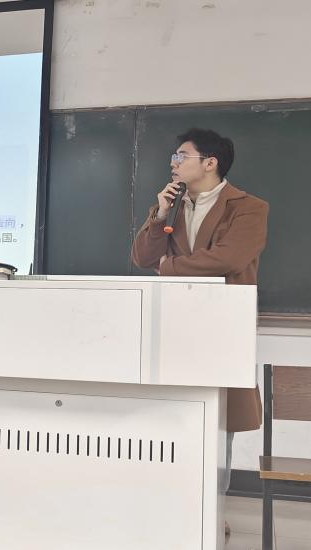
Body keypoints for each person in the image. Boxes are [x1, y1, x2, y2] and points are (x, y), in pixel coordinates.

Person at [131, 128, 269, 535]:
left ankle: (212, 511)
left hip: (221, 327)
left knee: (218, 422)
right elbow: (141, 257)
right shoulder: (171, 206)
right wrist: (158, 216)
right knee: (175, 419)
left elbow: (229, 258)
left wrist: (168, 268)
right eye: (174, 156)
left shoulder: (248, 207)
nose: (173, 163)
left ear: (210, 163)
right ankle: (172, 506)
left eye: (181, 156)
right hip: (174, 327)